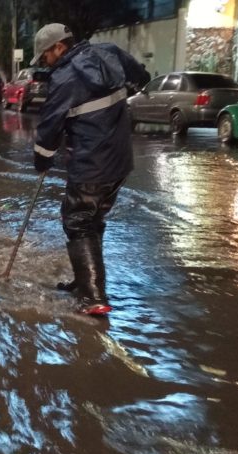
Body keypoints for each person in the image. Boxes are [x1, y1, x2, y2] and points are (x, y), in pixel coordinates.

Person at [31, 23, 150, 315]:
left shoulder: (64, 76)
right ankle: (85, 281)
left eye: (45, 54)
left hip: (91, 163)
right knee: (93, 219)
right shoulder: (108, 52)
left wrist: (42, 158)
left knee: (78, 221)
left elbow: (50, 126)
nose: (45, 61)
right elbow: (142, 77)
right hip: (120, 161)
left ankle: (93, 296)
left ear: (59, 47)